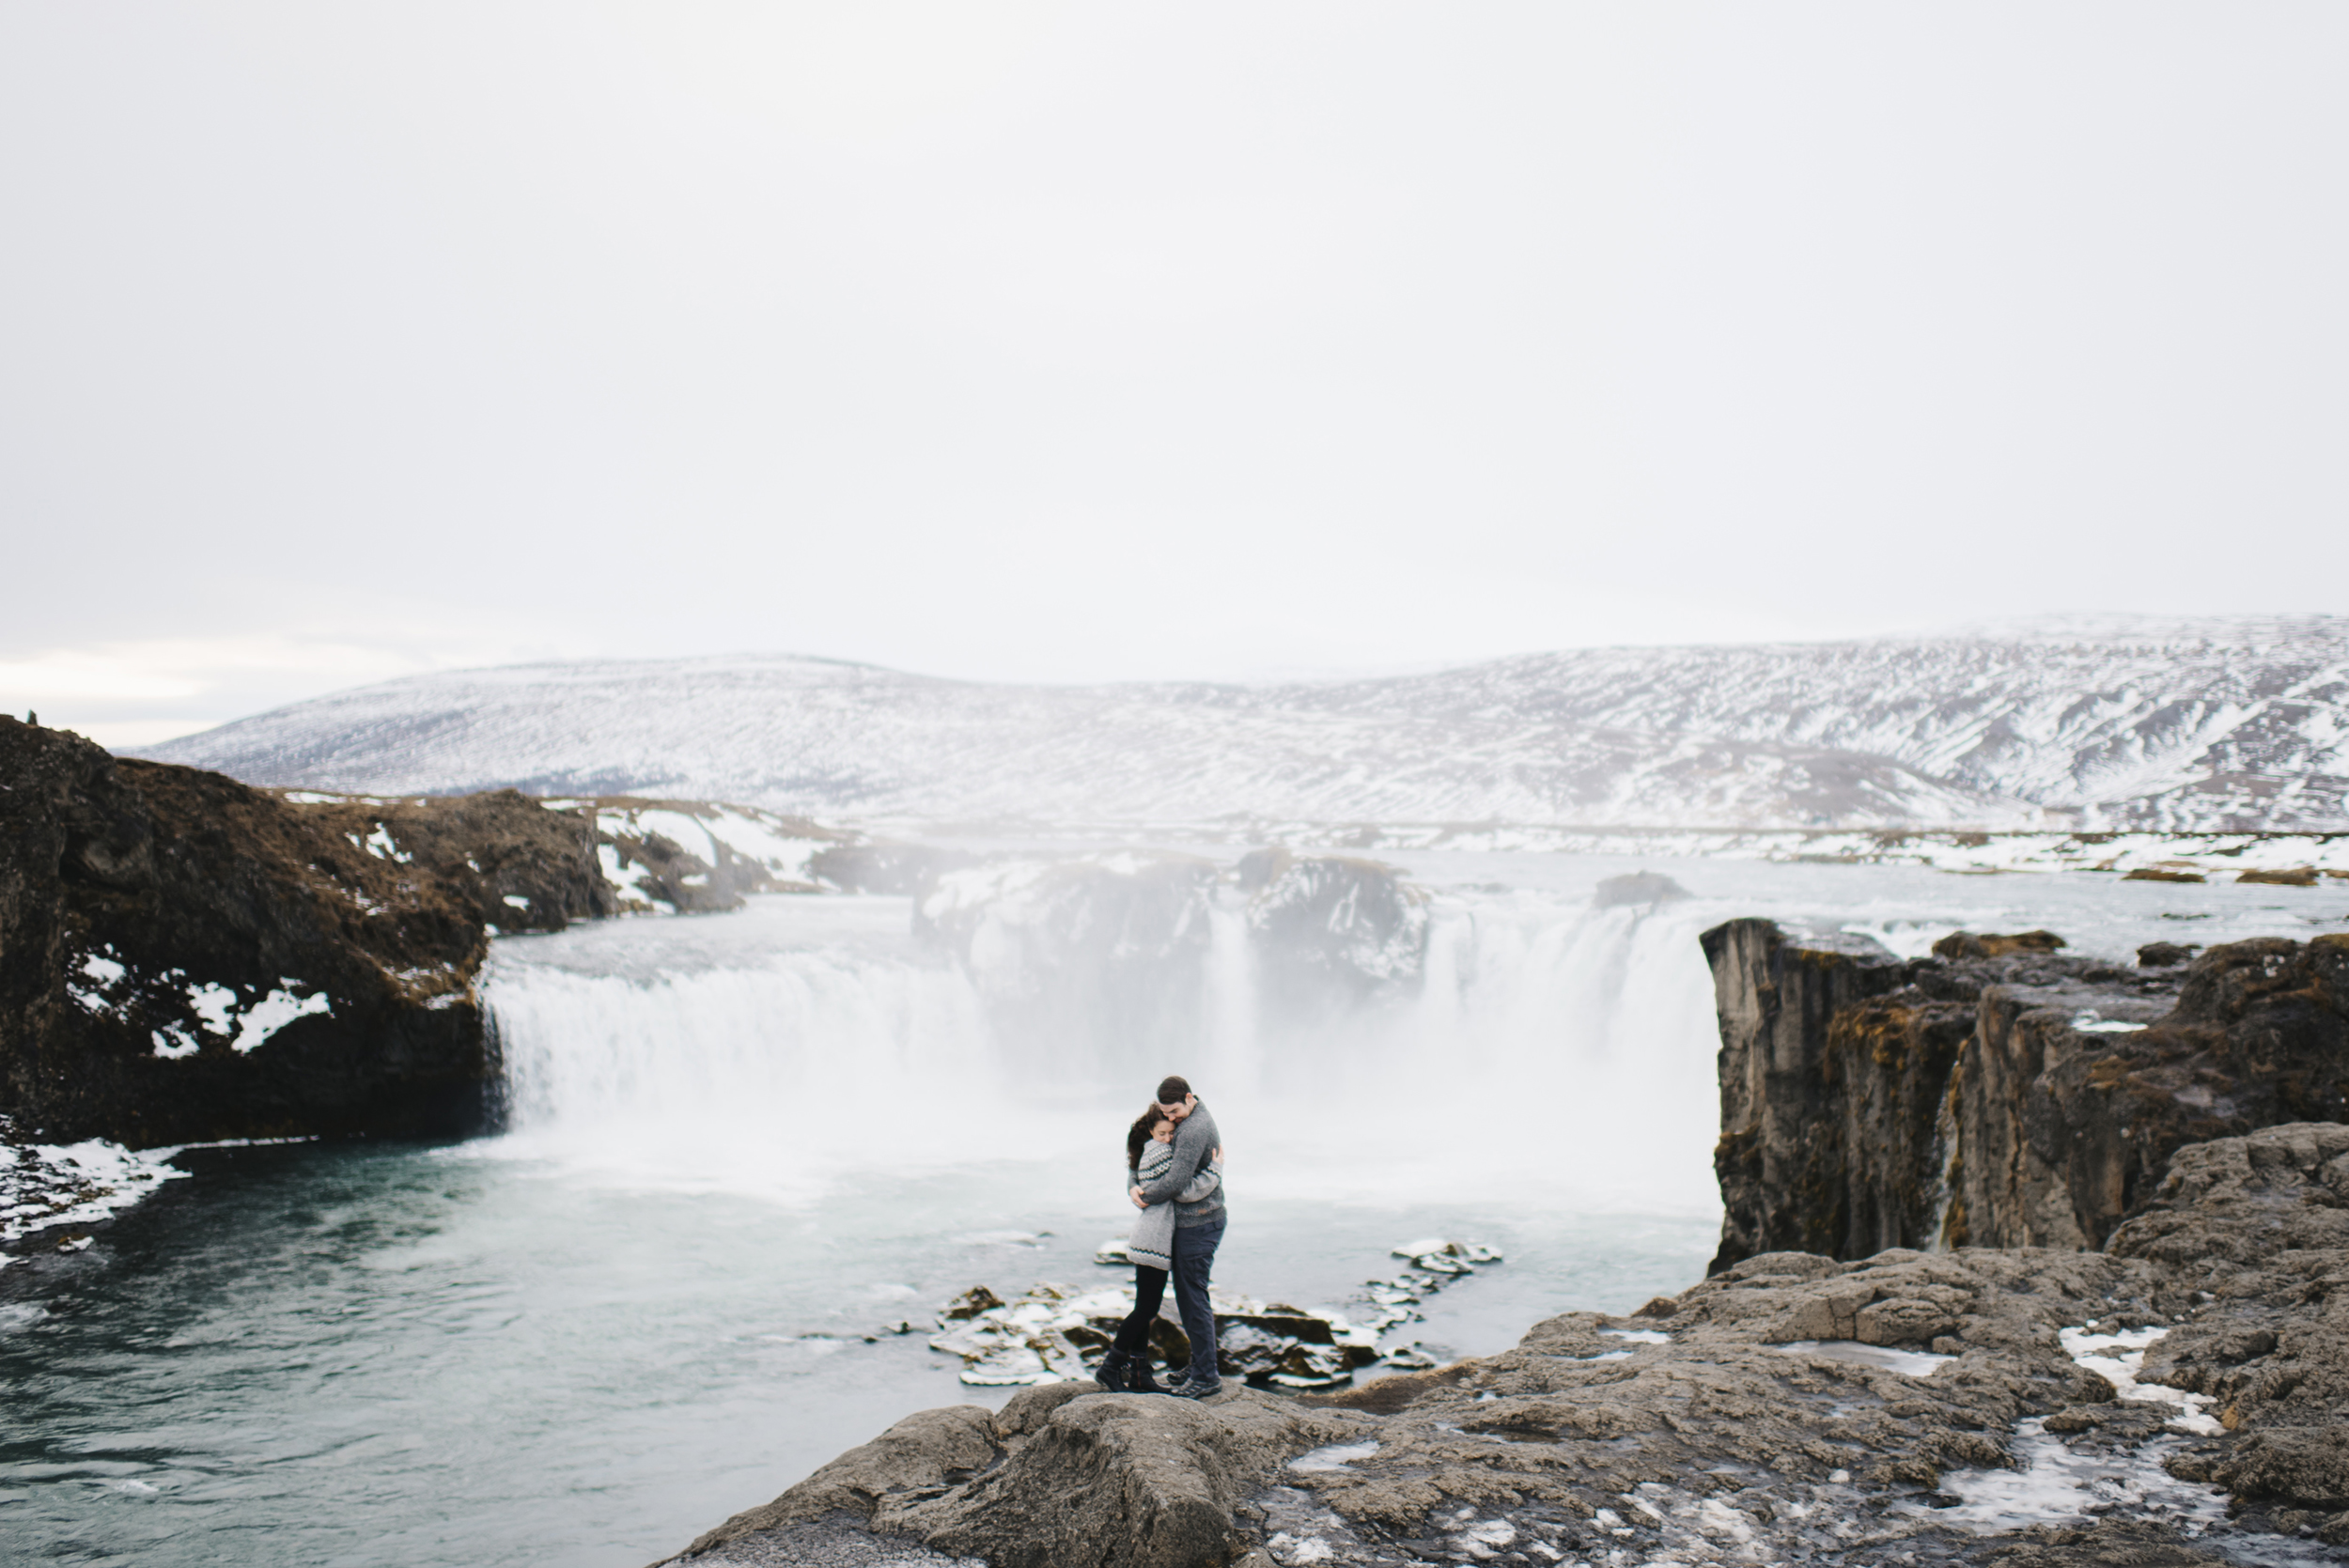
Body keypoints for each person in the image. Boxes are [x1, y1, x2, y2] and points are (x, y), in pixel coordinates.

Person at [1095, 1107, 1221, 1394]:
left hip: (1151, 1238)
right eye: (1162, 1133)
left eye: (1171, 1133)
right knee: (1145, 1310)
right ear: (1151, 1132)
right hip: (1153, 1241)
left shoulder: (1148, 1151)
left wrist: (1134, 1187)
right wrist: (1215, 1170)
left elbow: (1138, 1176)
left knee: (1145, 1308)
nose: (1168, 1138)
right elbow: (1183, 1190)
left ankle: (1140, 1374)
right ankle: (1110, 1367)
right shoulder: (1159, 1153)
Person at [1128, 1074, 1224, 1398]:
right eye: (1165, 1114)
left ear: (1188, 1098)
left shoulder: (1195, 1129)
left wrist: (1145, 1196)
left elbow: (1178, 1183)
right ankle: (1199, 1364)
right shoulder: (1180, 1118)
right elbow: (1138, 1146)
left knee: (1192, 1297)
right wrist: (1132, 1184)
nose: (1170, 1119)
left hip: (1199, 1222)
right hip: (1187, 1222)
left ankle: (1207, 1376)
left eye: (1174, 1112)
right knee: (1189, 1297)